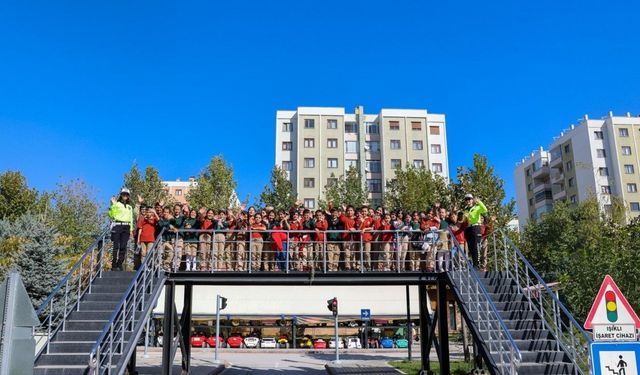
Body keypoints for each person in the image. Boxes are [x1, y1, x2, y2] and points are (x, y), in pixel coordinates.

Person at [108, 188, 134, 271]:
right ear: (121, 195)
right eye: (123, 194)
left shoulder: (130, 207)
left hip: (126, 227)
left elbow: (131, 219)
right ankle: (114, 264)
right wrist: (113, 205)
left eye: (126, 194)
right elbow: (112, 215)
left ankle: (120, 263)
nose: (125, 196)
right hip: (117, 225)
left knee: (123, 246)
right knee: (116, 246)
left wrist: (131, 229)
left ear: (128, 196)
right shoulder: (117, 204)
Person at [463, 194, 488, 267]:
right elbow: (465, 220)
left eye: (469, 199)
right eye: (466, 199)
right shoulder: (465, 210)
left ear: (472, 200)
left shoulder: (477, 207)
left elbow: (485, 210)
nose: (468, 200)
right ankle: (473, 264)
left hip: (475, 227)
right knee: (470, 247)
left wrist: (479, 202)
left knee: (476, 246)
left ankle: (477, 264)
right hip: (468, 228)